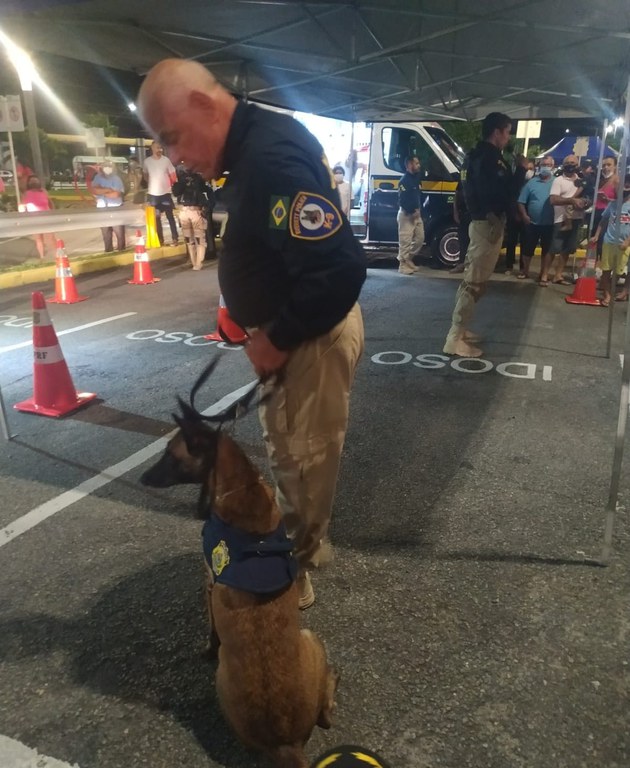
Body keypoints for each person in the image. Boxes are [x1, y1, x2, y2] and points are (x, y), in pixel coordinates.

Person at [138, 58, 366, 610]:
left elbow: (339, 269)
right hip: (294, 335)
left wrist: (277, 336)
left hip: (308, 338)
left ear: (201, 105)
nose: (174, 156)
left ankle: (291, 576)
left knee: (302, 462)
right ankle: (290, 558)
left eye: (171, 138)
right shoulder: (254, 144)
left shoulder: (268, 159)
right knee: (289, 450)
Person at [442, 112, 526, 358]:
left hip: (479, 224)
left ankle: (460, 330)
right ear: (497, 131)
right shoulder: (490, 159)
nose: (508, 136)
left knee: (472, 280)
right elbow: (504, 193)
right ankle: (454, 338)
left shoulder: (474, 155)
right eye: (507, 131)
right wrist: (521, 170)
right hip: (487, 226)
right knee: (474, 283)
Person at [546, 154, 589, 285]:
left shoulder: (581, 181)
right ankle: (544, 274)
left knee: (567, 249)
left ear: (577, 165)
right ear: (564, 165)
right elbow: (553, 200)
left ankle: (558, 275)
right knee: (554, 248)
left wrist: (584, 203)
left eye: (573, 163)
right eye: (568, 162)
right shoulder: (558, 180)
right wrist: (571, 200)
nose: (570, 165)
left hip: (576, 218)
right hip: (560, 219)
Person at [589, 174, 630, 306]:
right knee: (606, 270)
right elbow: (603, 220)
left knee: (619, 271)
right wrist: (596, 235)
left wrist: (627, 241)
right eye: (619, 186)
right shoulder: (612, 204)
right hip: (609, 241)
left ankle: (618, 291)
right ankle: (607, 294)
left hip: (624, 244)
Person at [517, 155, 555, 282]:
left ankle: (544, 274)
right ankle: (525, 270)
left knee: (547, 250)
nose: (546, 167)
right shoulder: (531, 183)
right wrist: (524, 216)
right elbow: (521, 201)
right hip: (532, 222)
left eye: (548, 165)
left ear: (553, 166)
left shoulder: (556, 182)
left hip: (550, 223)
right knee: (527, 249)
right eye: (544, 164)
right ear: (539, 166)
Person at [172, 164, 215, 269]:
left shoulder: (198, 179)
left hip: (192, 211)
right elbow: (176, 192)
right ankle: (194, 262)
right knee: (190, 239)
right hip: (187, 211)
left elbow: (206, 191)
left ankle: (198, 262)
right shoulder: (184, 180)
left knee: (197, 238)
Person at [142, 141, 179, 246]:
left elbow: (173, 174)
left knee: (170, 217)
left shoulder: (166, 160)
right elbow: (145, 175)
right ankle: (160, 240)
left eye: (160, 148)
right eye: (157, 148)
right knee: (156, 218)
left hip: (165, 193)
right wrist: (151, 184)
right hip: (153, 195)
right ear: (152, 148)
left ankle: (175, 238)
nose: (159, 150)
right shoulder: (147, 162)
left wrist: (172, 186)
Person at [91, 160, 126, 253]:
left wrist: (101, 192)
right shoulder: (97, 178)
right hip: (102, 209)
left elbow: (115, 194)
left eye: (109, 166)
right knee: (106, 233)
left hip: (115, 208)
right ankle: (108, 251)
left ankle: (121, 251)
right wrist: (108, 190)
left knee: (119, 233)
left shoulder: (116, 179)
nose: (107, 168)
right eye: (105, 166)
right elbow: (94, 191)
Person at [397, 155, 423, 275]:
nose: (419, 165)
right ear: (409, 165)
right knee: (405, 241)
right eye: (416, 163)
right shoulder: (404, 181)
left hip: (417, 215)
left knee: (420, 239)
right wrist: (412, 211)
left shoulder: (416, 178)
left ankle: (408, 259)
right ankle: (402, 265)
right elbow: (402, 200)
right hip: (407, 215)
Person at [20, 174, 56, 260]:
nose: (34, 182)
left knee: (50, 238)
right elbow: (22, 206)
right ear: (28, 183)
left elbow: (50, 202)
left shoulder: (43, 191)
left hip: (46, 217)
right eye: (31, 181)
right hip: (33, 219)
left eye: (35, 180)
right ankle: (42, 257)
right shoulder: (26, 194)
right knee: (38, 238)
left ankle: (57, 256)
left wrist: (53, 212)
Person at [592, 155, 619, 256]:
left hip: (608, 215)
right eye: (604, 165)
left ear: (615, 166)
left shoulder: (617, 181)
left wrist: (608, 199)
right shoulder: (601, 179)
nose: (606, 167)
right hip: (597, 212)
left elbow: (621, 200)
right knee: (595, 240)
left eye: (609, 165)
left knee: (602, 243)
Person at [450, 179, 470, 274]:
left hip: (475, 215)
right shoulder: (463, 177)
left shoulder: (479, 175)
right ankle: (461, 264)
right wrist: (455, 212)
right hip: (463, 214)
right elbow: (456, 194)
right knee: (463, 240)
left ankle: (470, 266)